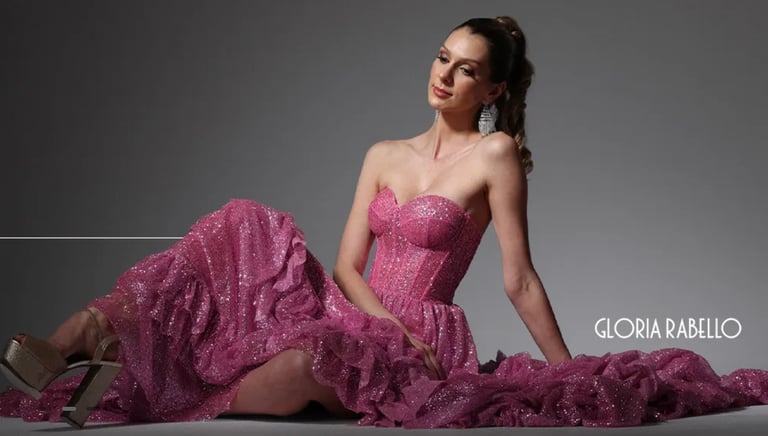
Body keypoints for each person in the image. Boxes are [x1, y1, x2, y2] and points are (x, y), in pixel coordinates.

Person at [1, 16, 767, 429]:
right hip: (355, 312)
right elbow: (344, 266)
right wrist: (375, 321)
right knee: (239, 228)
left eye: (467, 68)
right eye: (442, 57)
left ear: (493, 89)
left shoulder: (495, 154)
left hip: (422, 336)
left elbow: (519, 278)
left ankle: (115, 373)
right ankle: (68, 343)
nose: (445, 73)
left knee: (286, 374)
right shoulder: (383, 152)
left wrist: (568, 370)